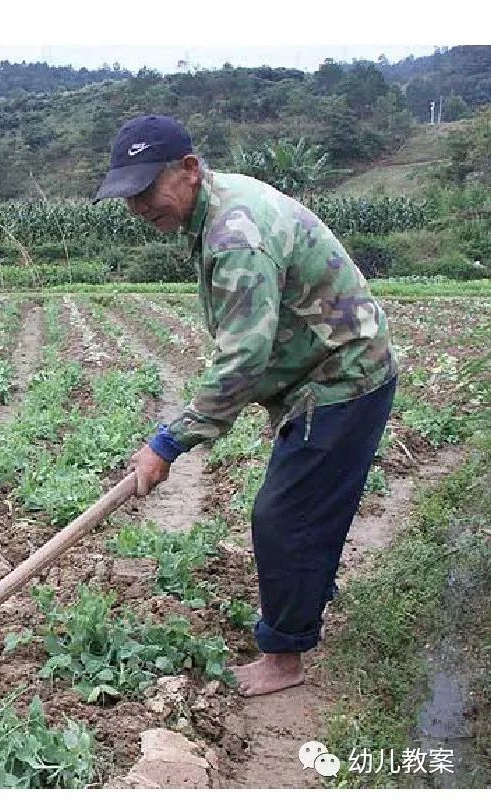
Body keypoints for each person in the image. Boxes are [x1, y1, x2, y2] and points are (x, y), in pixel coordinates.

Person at [95, 115, 398, 697]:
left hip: (342, 374)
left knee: (284, 516)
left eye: (144, 190)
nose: (137, 207)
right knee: (307, 503)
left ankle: (285, 654)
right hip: (324, 369)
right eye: (127, 196)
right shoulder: (211, 208)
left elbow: (243, 359)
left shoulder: (236, 231)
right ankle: (308, 597)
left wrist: (168, 443)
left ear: (187, 170)